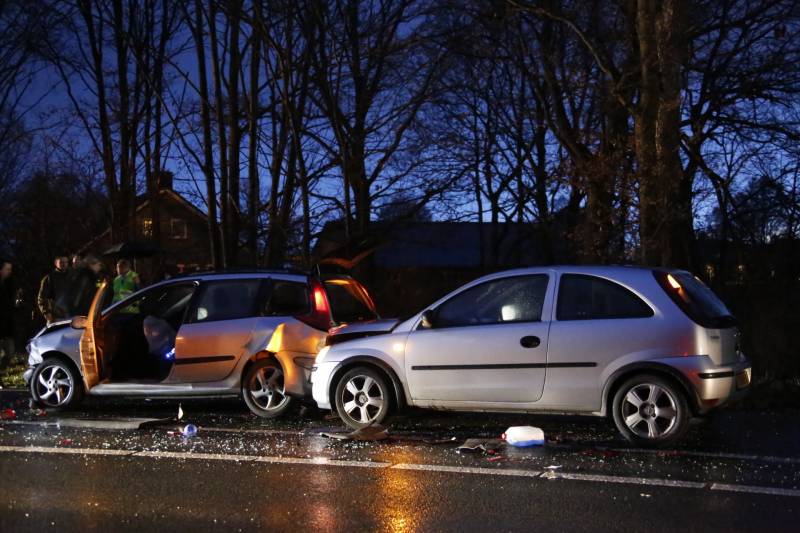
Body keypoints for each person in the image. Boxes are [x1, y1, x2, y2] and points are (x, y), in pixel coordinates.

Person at [37, 255, 71, 324]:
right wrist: (46, 313)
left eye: (66, 262)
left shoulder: (73, 275)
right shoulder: (49, 278)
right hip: (57, 316)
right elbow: (42, 298)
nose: (64, 264)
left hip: (73, 314)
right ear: (56, 263)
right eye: (61, 262)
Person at [0, 261, 17, 368]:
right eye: (7, 269)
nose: (9, 272)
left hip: (6, 325)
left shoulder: (9, 283)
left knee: (10, 351)